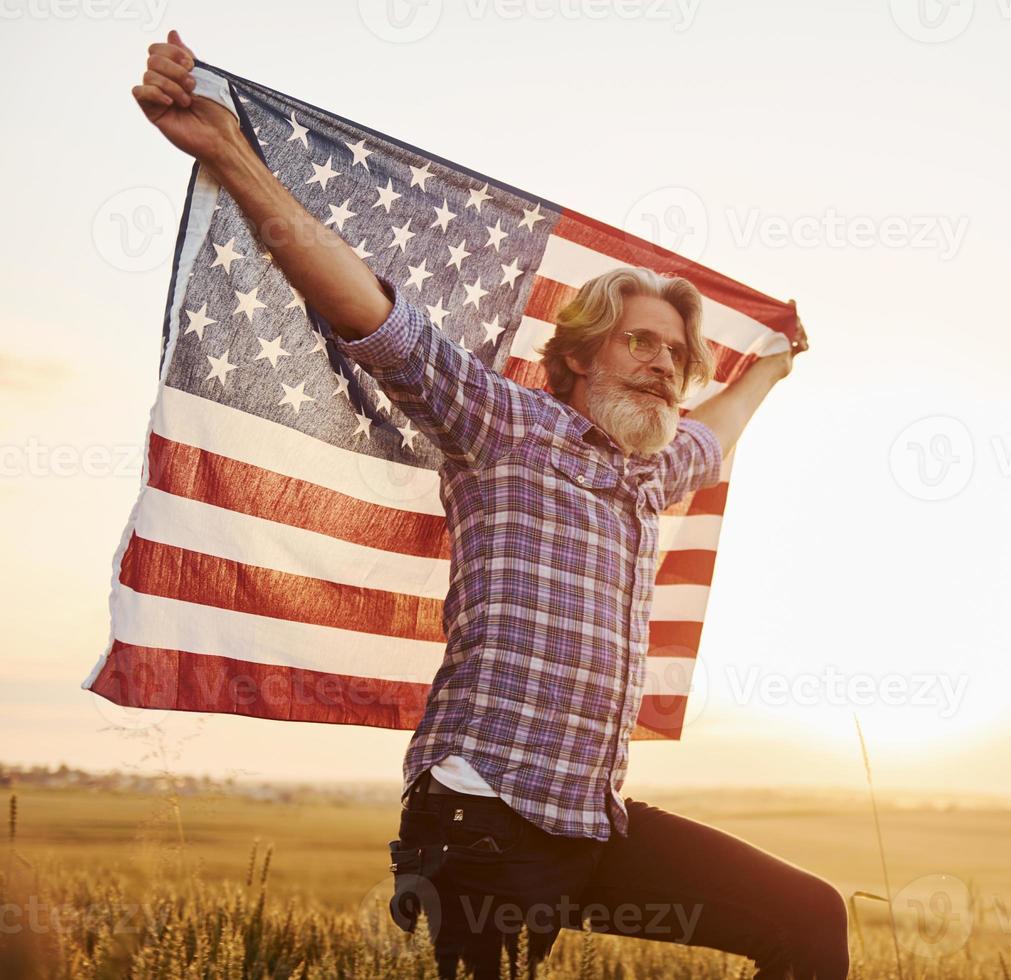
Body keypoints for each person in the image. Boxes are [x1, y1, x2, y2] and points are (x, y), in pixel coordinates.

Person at [132, 30, 846, 980]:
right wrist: (227, 152)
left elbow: (719, 430)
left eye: (675, 354)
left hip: (590, 822)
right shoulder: (503, 426)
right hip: (481, 817)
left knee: (809, 920)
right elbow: (370, 314)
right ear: (581, 356)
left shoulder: (651, 472)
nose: (663, 363)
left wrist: (775, 366)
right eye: (639, 342)